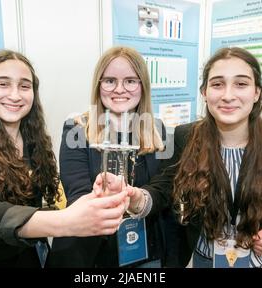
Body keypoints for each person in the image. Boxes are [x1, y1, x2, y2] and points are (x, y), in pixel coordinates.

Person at [95, 47, 262, 268]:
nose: (228, 95)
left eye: (241, 84)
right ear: (204, 92)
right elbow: (163, 189)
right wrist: (134, 197)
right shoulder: (185, 135)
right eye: (217, 84)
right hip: (204, 260)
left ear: (256, 92)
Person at [0, 50, 128, 268]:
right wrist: (66, 221)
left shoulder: (34, 140)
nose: (15, 95)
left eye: (24, 86)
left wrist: (86, 205)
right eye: (3, 84)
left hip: (29, 258)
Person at [47, 46, 179, 268]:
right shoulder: (77, 129)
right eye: (109, 81)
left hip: (144, 252)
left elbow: (163, 190)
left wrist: (139, 200)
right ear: (99, 86)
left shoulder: (158, 130)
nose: (119, 89)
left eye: (130, 81)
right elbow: (77, 195)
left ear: (142, 86)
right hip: (90, 255)